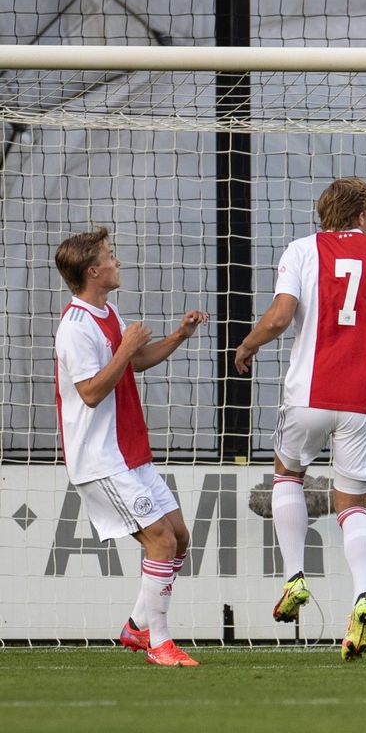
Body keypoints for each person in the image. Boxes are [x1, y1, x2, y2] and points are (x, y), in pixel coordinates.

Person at [234, 177, 366, 661]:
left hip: (308, 394)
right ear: (359, 216)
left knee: (286, 475)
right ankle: (362, 598)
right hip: (363, 401)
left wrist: (248, 344)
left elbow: (281, 316)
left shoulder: (301, 250)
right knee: (354, 506)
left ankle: (294, 579)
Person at [53, 227, 208, 667]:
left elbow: (134, 362)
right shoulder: (75, 327)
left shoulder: (109, 311)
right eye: (110, 255)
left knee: (178, 539)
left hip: (129, 453)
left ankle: (137, 627)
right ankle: (159, 644)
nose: (117, 260)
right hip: (100, 459)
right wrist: (125, 348)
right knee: (158, 539)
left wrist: (178, 335)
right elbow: (90, 392)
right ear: (93, 270)